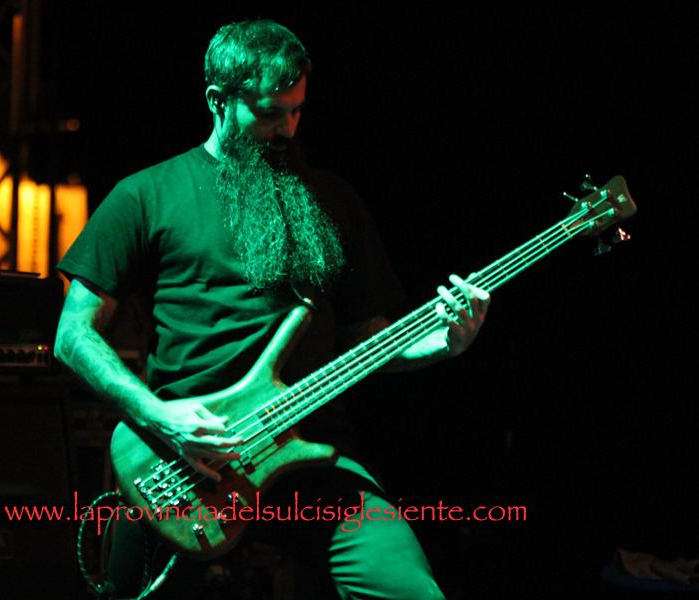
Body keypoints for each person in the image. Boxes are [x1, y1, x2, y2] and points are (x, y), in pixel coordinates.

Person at [55, 19, 489, 600]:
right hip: (185, 460)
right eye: (268, 113)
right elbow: (72, 333)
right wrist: (158, 416)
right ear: (218, 101)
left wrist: (441, 345)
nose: (286, 129)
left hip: (313, 452)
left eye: (297, 111)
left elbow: (371, 341)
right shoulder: (145, 194)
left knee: (410, 590)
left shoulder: (332, 199)